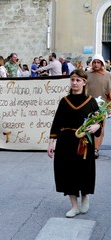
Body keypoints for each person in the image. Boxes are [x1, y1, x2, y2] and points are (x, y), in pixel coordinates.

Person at [47, 69, 102, 218]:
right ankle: (74, 206)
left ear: (84, 82)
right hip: (66, 141)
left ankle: (85, 196)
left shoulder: (90, 101)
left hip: (84, 142)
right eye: (72, 80)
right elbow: (57, 122)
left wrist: (97, 126)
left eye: (78, 80)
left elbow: (99, 120)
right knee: (67, 172)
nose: (75, 83)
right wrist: (51, 142)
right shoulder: (65, 101)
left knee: (84, 171)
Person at [87, 54, 111, 158]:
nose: (96, 64)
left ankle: (96, 148)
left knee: (99, 128)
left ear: (102, 63)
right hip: (87, 104)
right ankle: (87, 147)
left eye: (98, 62)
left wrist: (109, 107)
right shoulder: (87, 74)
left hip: (102, 105)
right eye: (94, 62)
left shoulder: (107, 75)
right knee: (86, 126)